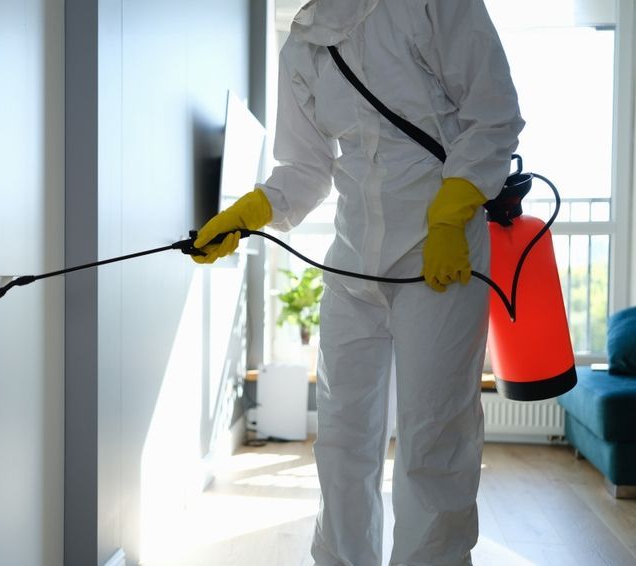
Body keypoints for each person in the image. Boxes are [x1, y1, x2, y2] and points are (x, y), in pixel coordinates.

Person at [192, 0, 524, 564]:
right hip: (352, 266)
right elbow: (304, 168)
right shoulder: (303, 43)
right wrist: (248, 212)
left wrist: (451, 212)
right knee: (343, 442)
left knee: (433, 440)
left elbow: (493, 114)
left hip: (438, 257)